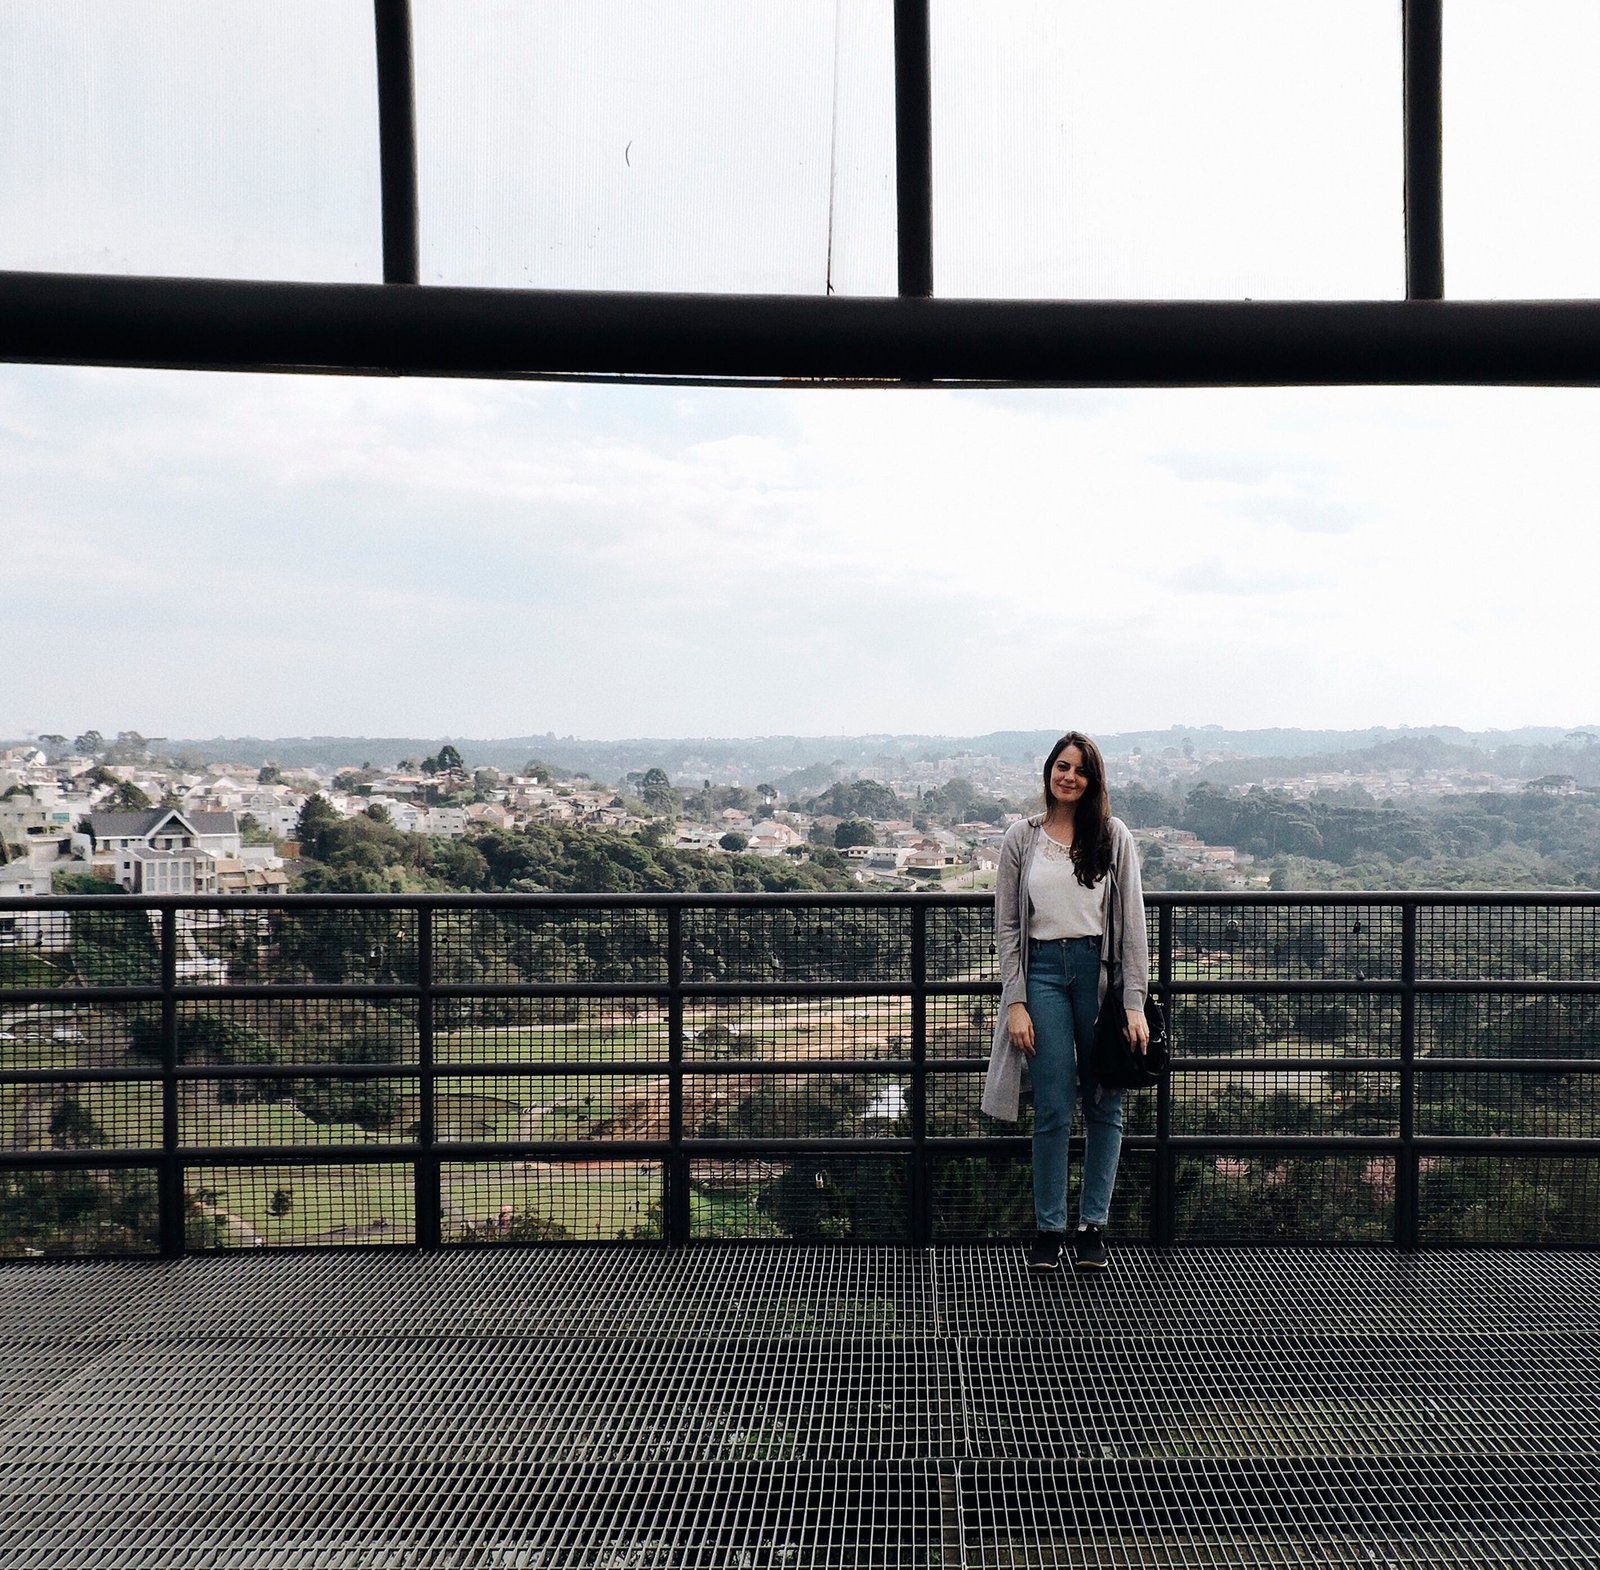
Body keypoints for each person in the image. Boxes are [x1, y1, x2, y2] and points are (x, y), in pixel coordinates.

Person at [980, 732, 1150, 1272]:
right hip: (1044, 974)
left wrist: (1133, 1001)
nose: (1069, 776)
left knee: (1104, 1101)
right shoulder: (1020, 839)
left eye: (1080, 769)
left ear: (1093, 780)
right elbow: (1007, 927)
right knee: (1053, 1105)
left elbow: (1132, 926)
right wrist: (1016, 1001)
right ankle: (1049, 1228)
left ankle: (1092, 1225)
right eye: (1061, 766)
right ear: (1048, 772)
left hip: (1098, 975)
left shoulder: (1112, 836)